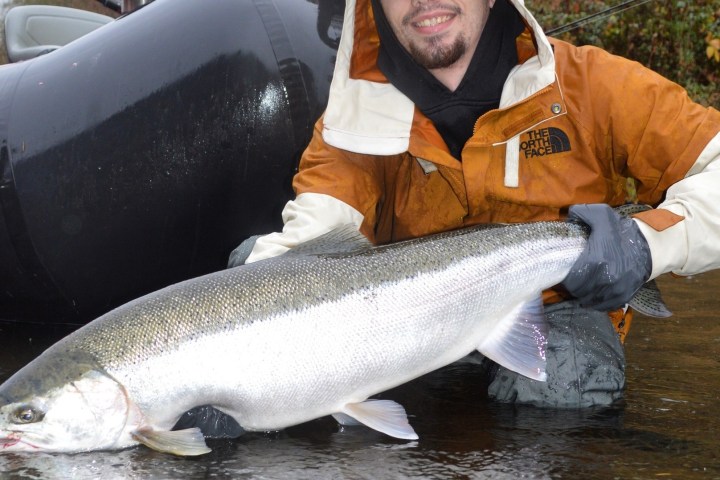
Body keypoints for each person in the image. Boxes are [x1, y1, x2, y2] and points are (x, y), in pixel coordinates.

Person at [177, 0, 720, 433]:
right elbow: (312, 234)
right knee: (250, 266)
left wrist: (646, 245)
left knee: (560, 382)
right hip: (409, 323)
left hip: (558, 312)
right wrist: (227, 361)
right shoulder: (353, 124)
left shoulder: (594, 86)